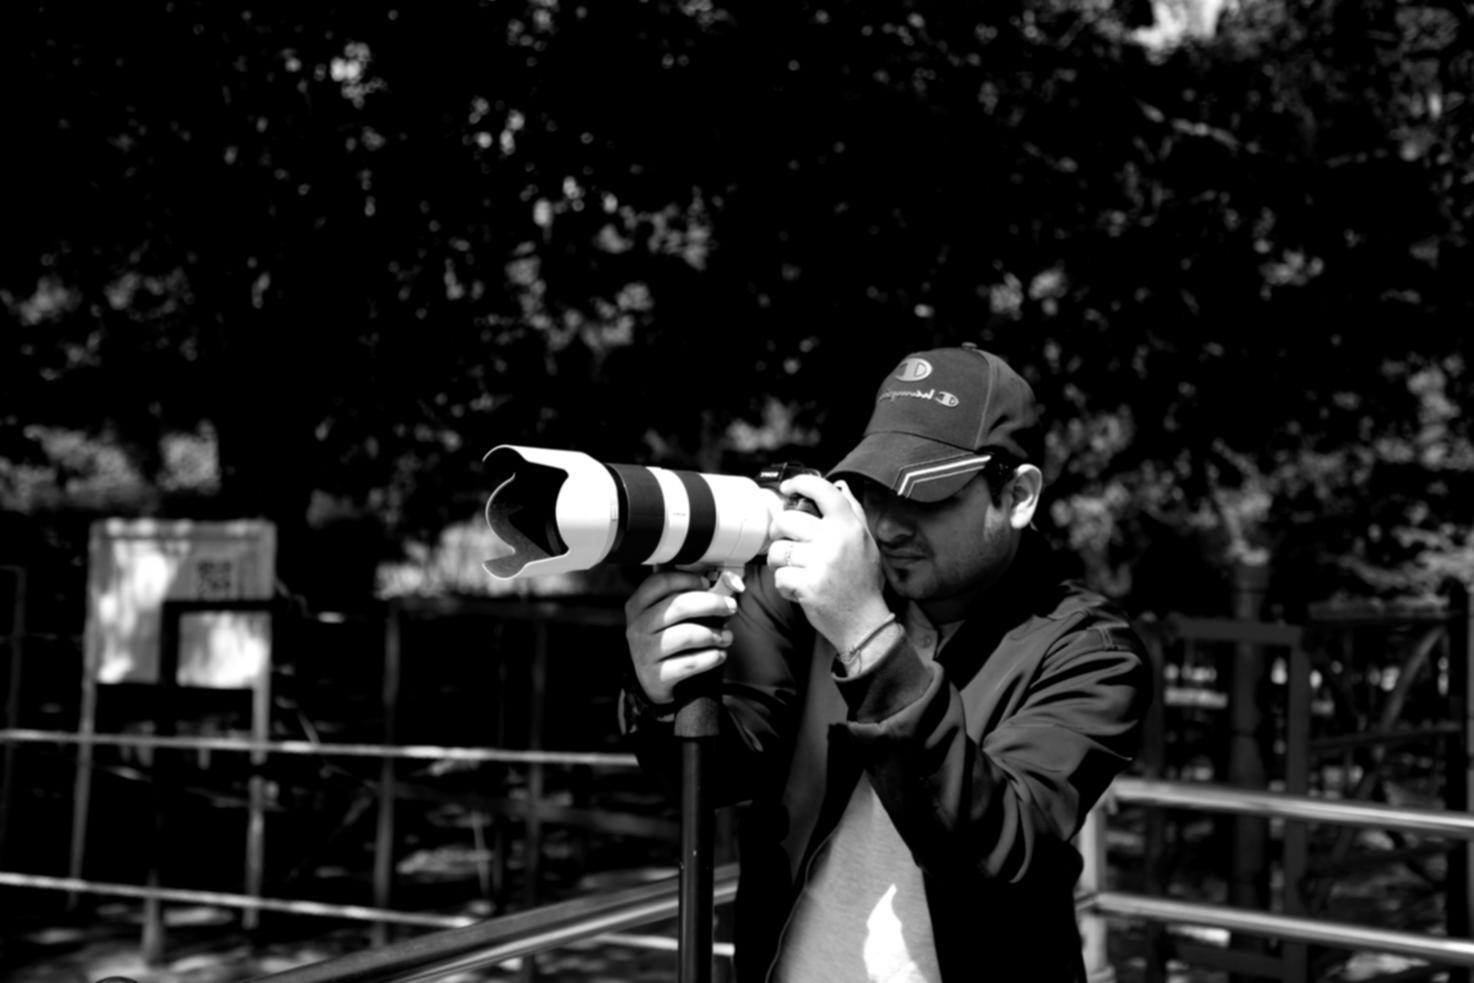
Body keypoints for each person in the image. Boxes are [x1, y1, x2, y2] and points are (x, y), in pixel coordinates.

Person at [619, 344, 1152, 983]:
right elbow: (721, 773)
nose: (888, 524)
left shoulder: (1089, 652)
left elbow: (1001, 852)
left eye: (926, 492)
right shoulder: (806, 591)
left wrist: (866, 635)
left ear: (1018, 495)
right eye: (873, 489)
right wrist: (664, 692)